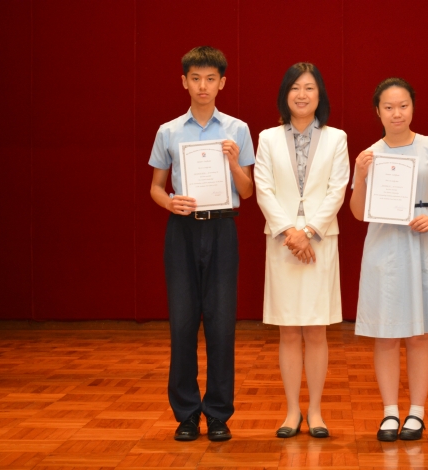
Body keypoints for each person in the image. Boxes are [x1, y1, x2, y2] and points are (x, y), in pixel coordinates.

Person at [148, 46, 255, 442]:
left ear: (222, 83)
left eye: (210, 79)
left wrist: (233, 163)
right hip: (182, 231)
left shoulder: (238, 130)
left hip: (223, 229)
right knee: (182, 323)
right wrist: (169, 202)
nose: (203, 86)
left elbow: (247, 190)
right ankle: (187, 414)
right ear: (184, 82)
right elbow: (156, 187)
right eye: (195, 78)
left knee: (222, 324)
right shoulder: (169, 131)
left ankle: (219, 414)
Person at [349, 77, 428, 442]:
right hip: (384, 248)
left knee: (419, 333)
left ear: (413, 107)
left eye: (403, 106)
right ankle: (390, 412)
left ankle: (417, 413)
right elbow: (358, 212)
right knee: (385, 334)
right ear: (378, 112)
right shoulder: (369, 154)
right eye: (389, 107)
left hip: (422, 241)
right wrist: (360, 174)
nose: (397, 113)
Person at [254, 63, 350, 439]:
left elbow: (337, 189)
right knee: (289, 331)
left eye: (309, 87)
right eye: (295, 87)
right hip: (282, 242)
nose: (302, 94)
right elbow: (263, 188)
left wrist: (308, 231)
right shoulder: (267, 138)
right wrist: (290, 232)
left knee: (316, 330)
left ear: (319, 94)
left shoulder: (336, 138)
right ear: (285, 94)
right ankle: (292, 411)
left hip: (319, 241)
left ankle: (316, 411)